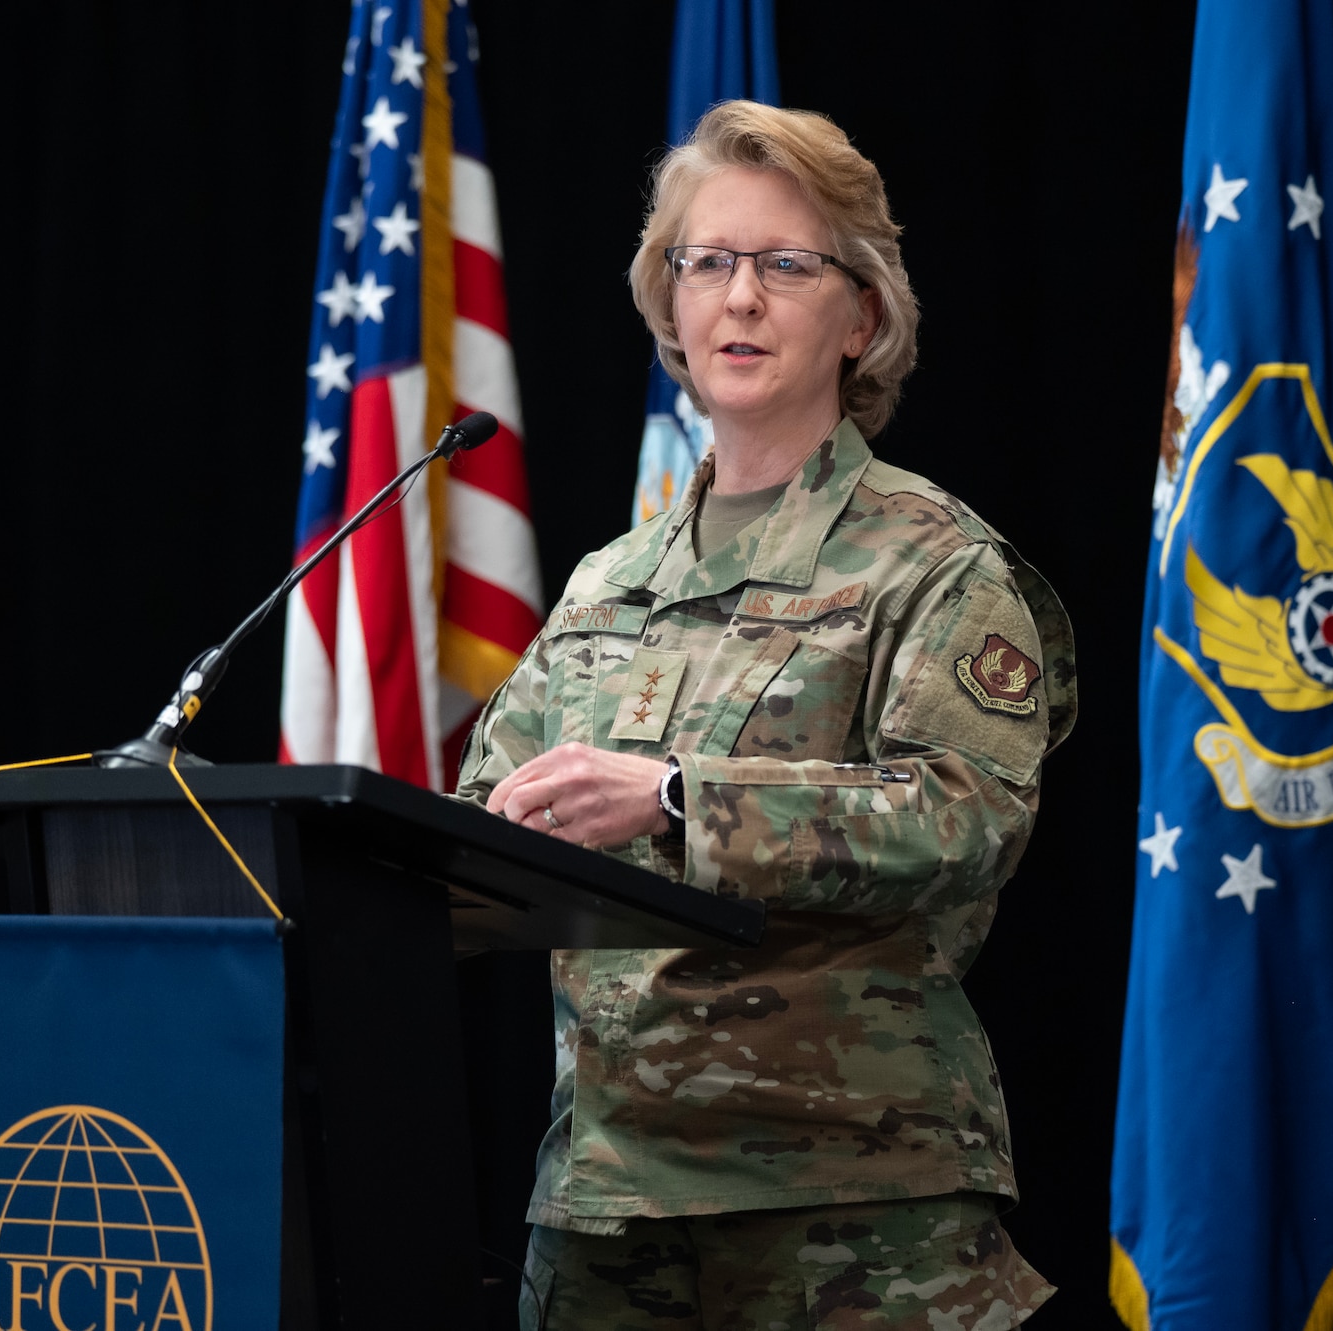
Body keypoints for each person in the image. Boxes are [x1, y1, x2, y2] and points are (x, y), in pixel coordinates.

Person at [453, 100, 1077, 1330]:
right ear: (667, 303)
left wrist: (681, 800)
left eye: (785, 265)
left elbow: (965, 819)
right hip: (604, 1203)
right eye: (706, 262)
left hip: (849, 1205)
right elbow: (483, 835)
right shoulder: (603, 586)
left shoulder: (933, 564)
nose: (739, 298)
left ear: (861, 315)